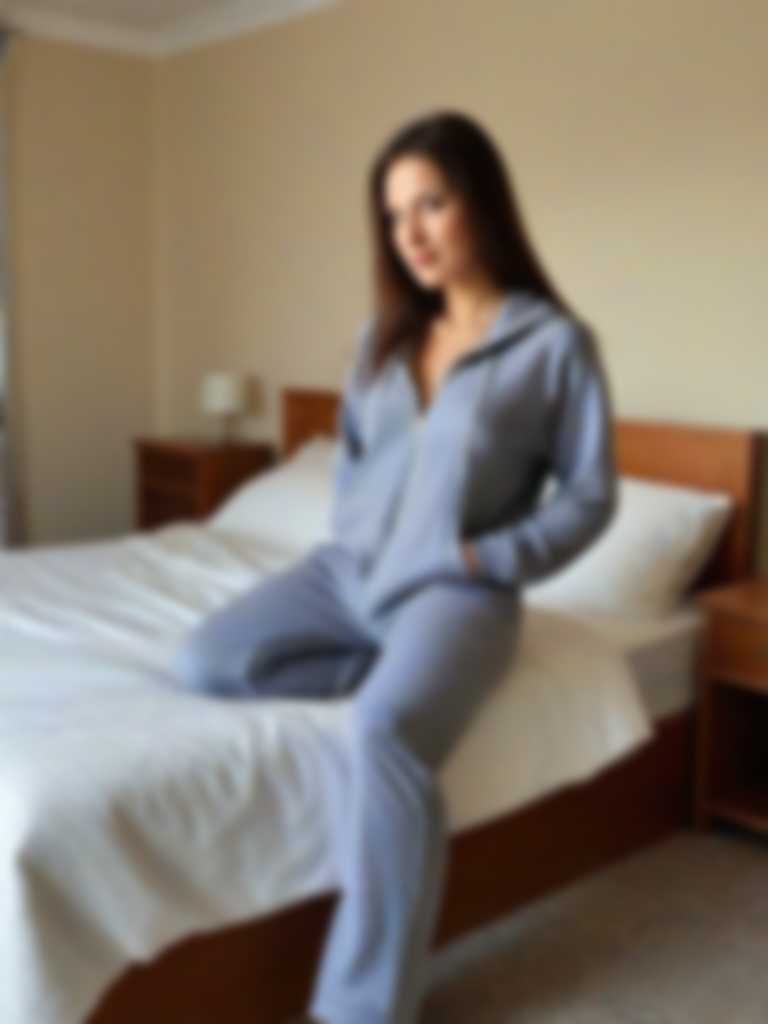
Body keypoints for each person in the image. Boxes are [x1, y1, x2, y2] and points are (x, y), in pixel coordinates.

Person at [172, 108, 618, 1024]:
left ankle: (363, 1008)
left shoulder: (554, 345)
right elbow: (351, 458)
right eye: (393, 214)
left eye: (431, 205)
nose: (409, 232)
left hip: (458, 592)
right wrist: (357, 538)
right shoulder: (383, 337)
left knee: (384, 735)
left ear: (481, 203)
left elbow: (591, 494)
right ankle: (383, 667)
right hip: (350, 574)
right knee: (205, 659)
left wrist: (492, 554)